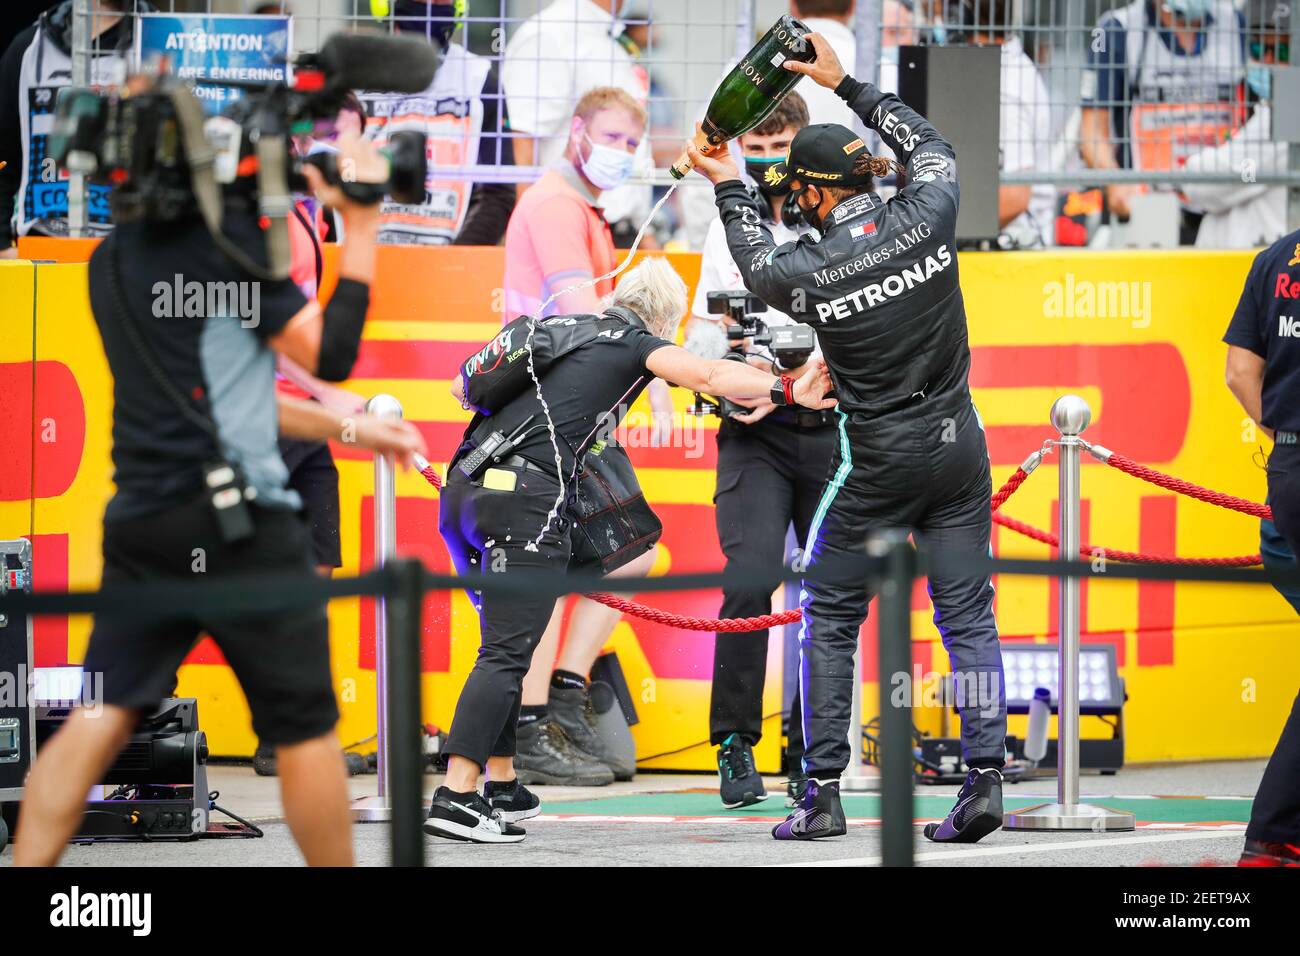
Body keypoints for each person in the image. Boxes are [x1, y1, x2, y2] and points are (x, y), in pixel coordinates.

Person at [11, 131, 426, 867]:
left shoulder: (113, 263)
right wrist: (360, 221)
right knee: (305, 732)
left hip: (143, 521)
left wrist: (347, 424)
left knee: (95, 719)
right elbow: (328, 353)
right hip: (238, 527)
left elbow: (226, 404)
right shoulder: (230, 256)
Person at [688, 32, 1007, 844]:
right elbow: (930, 145)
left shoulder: (811, 269)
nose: (791, 195)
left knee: (829, 613)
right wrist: (846, 83)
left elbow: (757, 264)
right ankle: (985, 778)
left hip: (879, 459)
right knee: (968, 617)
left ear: (821, 196)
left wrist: (725, 177)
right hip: (961, 444)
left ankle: (821, 791)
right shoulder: (930, 209)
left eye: (799, 186)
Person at [426, 258, 835, 843]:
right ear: (664, 319)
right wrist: (786, 388)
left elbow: (460, 387)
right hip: (526, 503)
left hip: (467, 493)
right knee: (506, 653)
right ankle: (455, 796)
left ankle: (501, 783)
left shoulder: (565, 329)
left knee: (506, 643)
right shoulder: (632, 340)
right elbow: (712, 378)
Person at [501, 86, 676, 785]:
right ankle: (535, 726)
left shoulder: (588, 212)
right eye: (610, 136)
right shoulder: (552, 206)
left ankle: (563, 702)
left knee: (625, 556)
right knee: (565, 570)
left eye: (632, 143)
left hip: (571, 414)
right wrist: (658, 366)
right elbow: (585, 317)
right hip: (543, 417)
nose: (621, 152)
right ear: (576, 131)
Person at [687, 91, 834, 809]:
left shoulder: (849, 216)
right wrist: (736, 351)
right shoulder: (727, 222)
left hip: (833, 430)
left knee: (834, 590)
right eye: (762, 149)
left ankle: (817, 751)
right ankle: (734, 745)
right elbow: (697, 341)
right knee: (750, 576)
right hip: (754, 429)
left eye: (786, 149)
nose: (774, 165)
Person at [1223, 226, 1300, 866]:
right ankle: (1274, 834)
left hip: (1289, 473)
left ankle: (1276, 834)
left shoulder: (1275, 257)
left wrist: (1283, 430)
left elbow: (1239, 372)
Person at [1079, 0, 1246, 239]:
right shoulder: (1117, 28)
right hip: (1149, 210)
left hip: (1226, 208)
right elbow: (1092, 132)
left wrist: (1249, 177)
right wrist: (1114, 180)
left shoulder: (1236, 24)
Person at [361, 0, 516, 246]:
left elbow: (497, 195)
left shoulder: (479, 79)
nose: (430, 4)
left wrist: (450, 266)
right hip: (359, 264)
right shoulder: (354, 73)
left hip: (447, 270)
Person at [501, 0, 654, 249]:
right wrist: (527, 239)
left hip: (620, 232)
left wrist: (645, 233)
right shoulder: (550, 34)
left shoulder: (607, 37)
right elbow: (522, 142)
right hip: (564, 232)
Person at [0, 1, 146, 258]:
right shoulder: (29, 48)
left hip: (132, 257)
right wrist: (2, 245)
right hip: (42, 250)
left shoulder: (162, 42)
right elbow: (4, 157)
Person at [1182, 0, 1289, 249]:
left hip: (1269, 266)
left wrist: (1189, 168)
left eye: (1283, 51)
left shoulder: (1289, 111)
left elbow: (1212, 184)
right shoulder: (1268, 106)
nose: (1270, 61)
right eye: (1258, 48)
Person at [956, 0, 1055, 247]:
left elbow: (1014, 198)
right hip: (993, 242)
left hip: (1015, 247)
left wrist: (932, 234)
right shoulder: (989, 67)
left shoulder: (1006, 84)